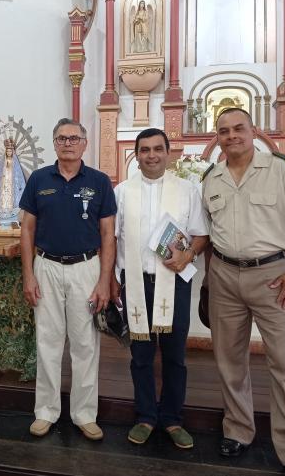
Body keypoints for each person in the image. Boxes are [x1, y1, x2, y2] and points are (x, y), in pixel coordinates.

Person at [202, 108, 285, 476]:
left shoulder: (282, 171)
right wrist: (207, 280)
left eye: (238, 128)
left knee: (284, 365)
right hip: (223, 274)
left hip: (271, 276)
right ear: (217, 137)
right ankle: (237, 430)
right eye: (224, 131)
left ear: (254, 131)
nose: (231, 135)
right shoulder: (211, 177)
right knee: (228, 360)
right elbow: (206, 234)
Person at [19, 118, 116, 441]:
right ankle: (45, 411)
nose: (68, 143)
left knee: (85, 344)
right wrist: (29, 275)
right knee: (47, 342)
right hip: (45, 266)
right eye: (61, 138)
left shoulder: (100, 182)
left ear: (84, 144)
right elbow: (27, 230)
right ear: (54, 143)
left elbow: (107, 233)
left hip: (86, 268)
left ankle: (84, 414)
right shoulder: (38, 179)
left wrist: (104, 280)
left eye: (74, 138)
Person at [112, 128, 209, 449]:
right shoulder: (123, 192)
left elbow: (200, 233)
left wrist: (189, 254)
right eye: (144, 150)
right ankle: (145, 416)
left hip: (174, 283)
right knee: (140, 355)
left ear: (168, 153)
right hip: (136, 282)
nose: (151, 155)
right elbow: (112, 238)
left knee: (174, 356)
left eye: (157, 149)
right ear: (136, 155)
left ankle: (171, 418)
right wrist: (112, 278)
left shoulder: (187, 190)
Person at [0, 137, 26, 225]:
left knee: (10, 196)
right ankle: (3, 210)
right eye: (7, 151)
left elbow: (18, 174)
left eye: (10, 151)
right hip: (4, 182)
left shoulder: (15, 162)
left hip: (11, 183)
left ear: (13, 152)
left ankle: (10, 210)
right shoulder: (3, 161)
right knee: (3, 196)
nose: (8, 153)